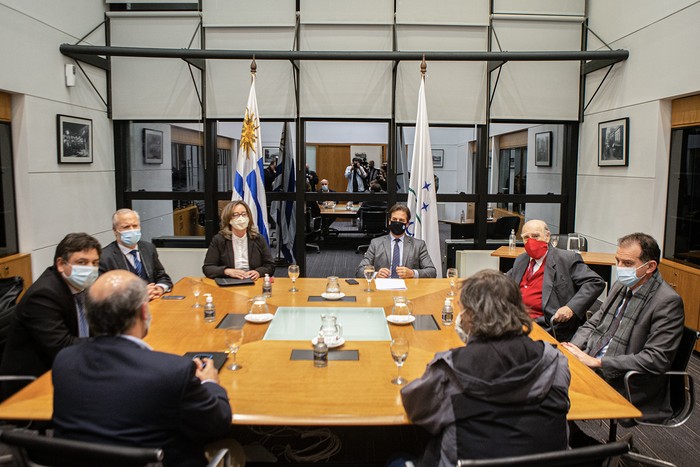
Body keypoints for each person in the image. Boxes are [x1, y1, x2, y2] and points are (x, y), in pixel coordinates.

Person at [52, 270, 239, 467]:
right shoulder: (173, 371)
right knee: (233, 448)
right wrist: (210, 382)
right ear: (144, 311)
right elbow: (218, 423)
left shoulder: (64, 361)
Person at [401, 270, 570, 466]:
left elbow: (416, 409)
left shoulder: (450, 369)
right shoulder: (556, 361)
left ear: (471, 316)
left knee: (396, 458)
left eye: (462, 310)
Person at [562, 233, 684, 423]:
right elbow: (595, 322)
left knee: (554, 396)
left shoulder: (667, 302)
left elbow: (656, 359)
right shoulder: (621, 286)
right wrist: (572, 349)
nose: (619, 268)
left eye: (627, 263)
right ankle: (584, 446)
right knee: (547, 377)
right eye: (617, 261)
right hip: (596, 361)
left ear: (650, 266)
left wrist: (599, 363)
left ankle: (586, 448)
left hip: (630, 382)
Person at [0, 233, 101, 400]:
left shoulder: (82, 287)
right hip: (31, 387)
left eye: (95, 263)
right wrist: (110, 343)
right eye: (82, 262)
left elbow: (96, 327)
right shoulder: (44, 295)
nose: (90, 269)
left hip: (68, 370)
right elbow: (62, 346)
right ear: (61, 264)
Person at [506, 219, 606, 342]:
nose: (531, 241)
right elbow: (504, 282)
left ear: (547, 237)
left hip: (547, 325)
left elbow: (595, 282)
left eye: (536, 236)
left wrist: (571, 308)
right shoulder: (521, 260)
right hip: (516, 321)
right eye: (526, 237)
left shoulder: (566, 259)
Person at [99, 208, 172, 301]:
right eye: (126, 227)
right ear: (115, 230)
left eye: (135, 226)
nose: (132, 230)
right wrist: (138, 295)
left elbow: (163, 277)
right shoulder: (104, 257)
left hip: (154, 303)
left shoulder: (148, 248)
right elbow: (103, 293)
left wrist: (159, 288)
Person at [356, 204, 436, 278]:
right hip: (382, 288)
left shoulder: (418, 245)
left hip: (409, 289)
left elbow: (432, 271)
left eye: (401, 220)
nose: (397, 223)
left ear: (407, 224)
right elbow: (360, 271)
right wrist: (375, 274)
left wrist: (412, 273)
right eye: (394, 219)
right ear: (389, 221)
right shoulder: (376, 243)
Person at [203, 201, 275, 280]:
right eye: (235, 215)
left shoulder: (258, 239)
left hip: (253, 281)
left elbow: (270, 265)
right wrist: (227, 271)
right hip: (229, 281)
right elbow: (208, 268)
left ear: (249, 217)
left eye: (244, 214)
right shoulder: (219, 240)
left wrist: (258, 272)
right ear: (228, 219)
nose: (241, 218)